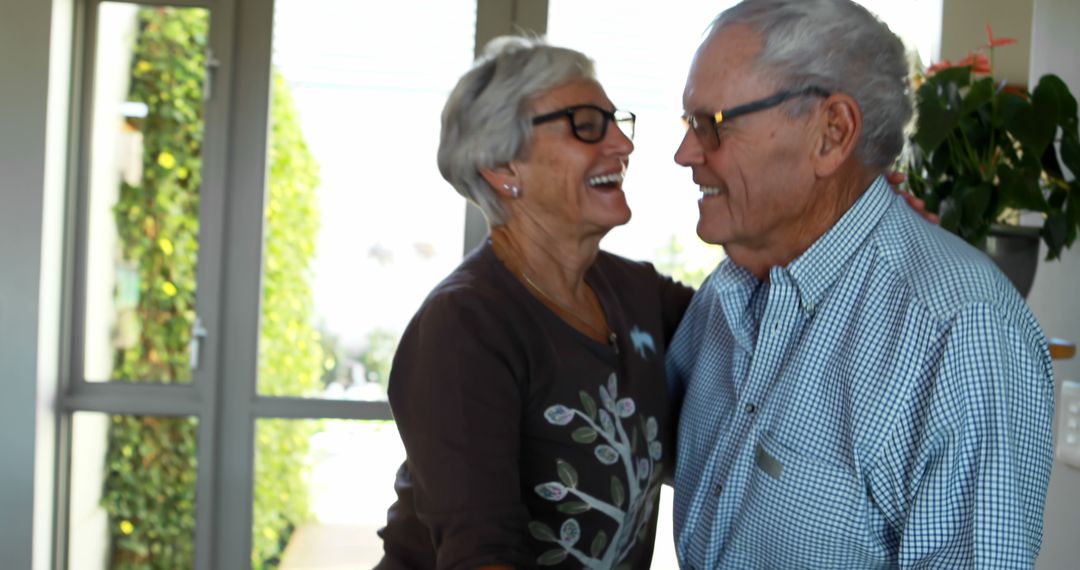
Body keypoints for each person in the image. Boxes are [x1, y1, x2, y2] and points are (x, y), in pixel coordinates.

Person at [665, 0, 1056, 568]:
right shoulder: (727, 294)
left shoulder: (962, 332)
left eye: (713, 126)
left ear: (832, 133)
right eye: (688, 122)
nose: (685, 153)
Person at [375, 36, 695, 570]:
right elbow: (482, 556)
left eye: (617, 121)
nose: (622, 144)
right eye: (588, 124)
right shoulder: (466, 325)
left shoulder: (638, 293)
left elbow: (753, 325)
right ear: (504, 167)